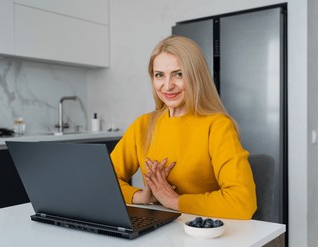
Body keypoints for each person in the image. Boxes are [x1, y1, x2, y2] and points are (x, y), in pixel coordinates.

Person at [110, 35, 257, 219]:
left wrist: (173, 201)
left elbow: (242, 202)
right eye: (159, 75)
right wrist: (140, 197)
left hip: (205, 233)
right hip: (160, 230)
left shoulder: (218, 126)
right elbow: (103, 181)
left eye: (179, 74)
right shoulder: (142, 125)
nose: (167, 85)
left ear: (196, 77)